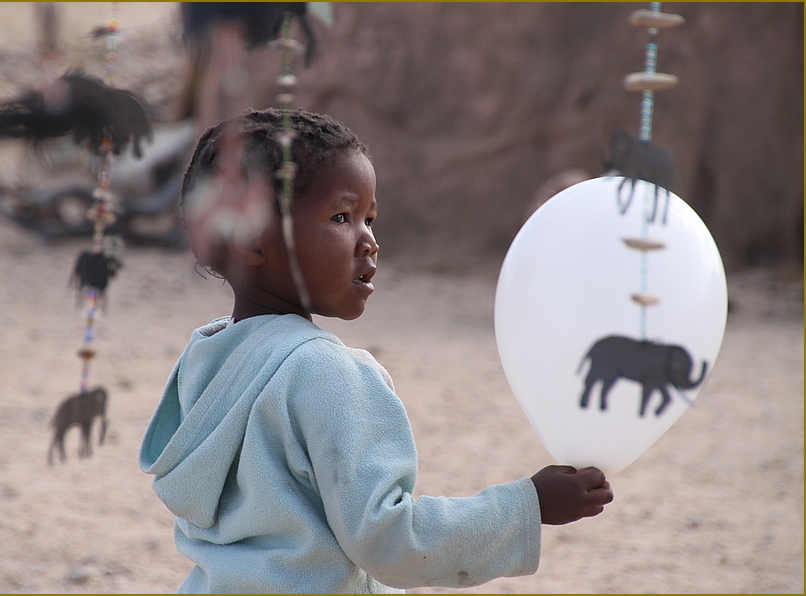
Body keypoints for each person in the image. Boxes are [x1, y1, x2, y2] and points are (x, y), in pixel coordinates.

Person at [139, 108, 614, 593]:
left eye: (369, 218)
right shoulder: (322, 370)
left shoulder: (205, 359)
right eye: (341, 217)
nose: (370, 242)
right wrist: (528, 505)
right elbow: (390, 541)